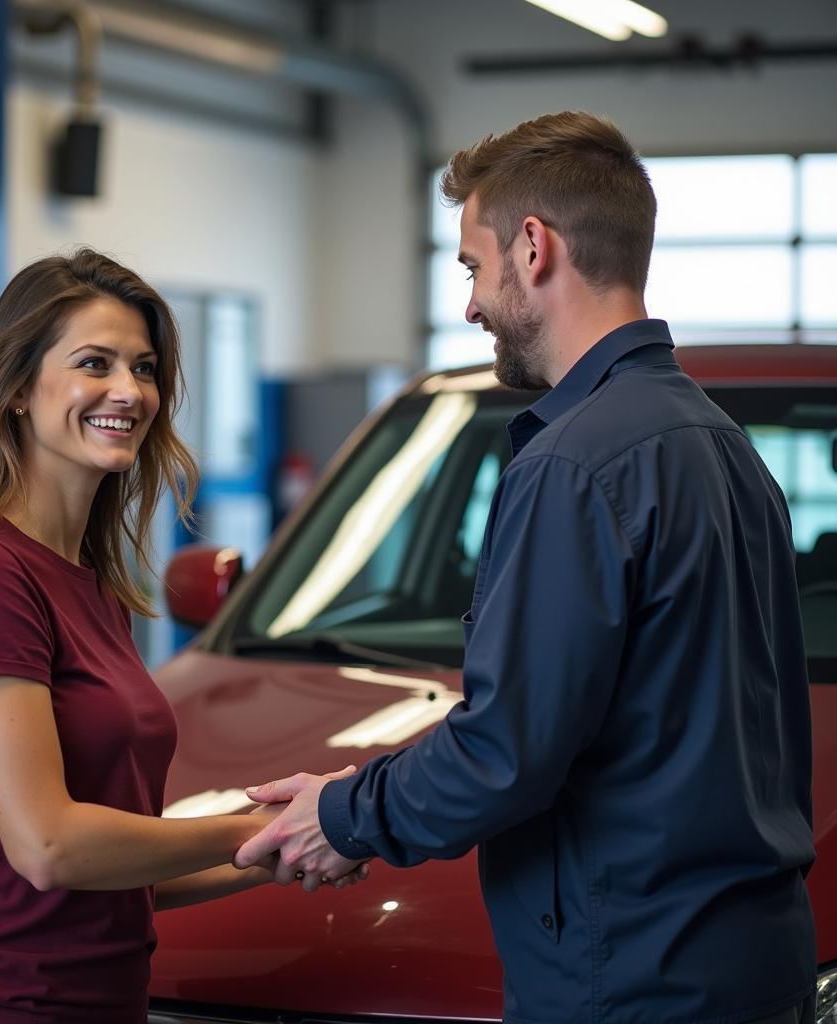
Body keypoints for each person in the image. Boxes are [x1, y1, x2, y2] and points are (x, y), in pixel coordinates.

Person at [236, 112, 817, 1024]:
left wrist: (346, 814)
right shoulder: (721, 444)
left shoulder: (574, 462)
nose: (468, 305)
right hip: (742, 966)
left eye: (472, 265)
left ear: (534, 247)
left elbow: (507, 751)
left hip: (627, 979)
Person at [0, 249, 361, 1024]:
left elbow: (117, 877)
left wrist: (278, 854)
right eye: (94, 363)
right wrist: (260, 824)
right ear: (15, 389)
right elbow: (49, 847)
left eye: (143, 368)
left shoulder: (92, 587)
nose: (129, 390)